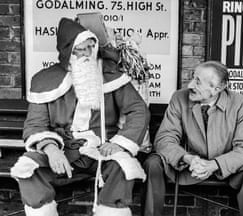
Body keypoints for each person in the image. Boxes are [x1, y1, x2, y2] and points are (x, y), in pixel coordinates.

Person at [10, 18, 150, 216]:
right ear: (68, 51)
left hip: (101, 152)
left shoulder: (110, 75)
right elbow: (35, 124)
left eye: (91, 48)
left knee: (122, 165)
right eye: (81, 49)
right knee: (29, 167)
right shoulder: (44, 80)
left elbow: (139, 110)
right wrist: (50, 149)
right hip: (63, 153)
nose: (87, 54)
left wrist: (119, 143)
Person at [142, 61, 243, 216]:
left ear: (218, 88)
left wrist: (214, 165)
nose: (190, 85)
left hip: (226, 168)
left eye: (198, 82)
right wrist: (187, 158)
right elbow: (164, 139)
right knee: (152, 163)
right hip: (189, 166)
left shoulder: (239, 103)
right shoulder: (179, 98)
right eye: (193, 78)